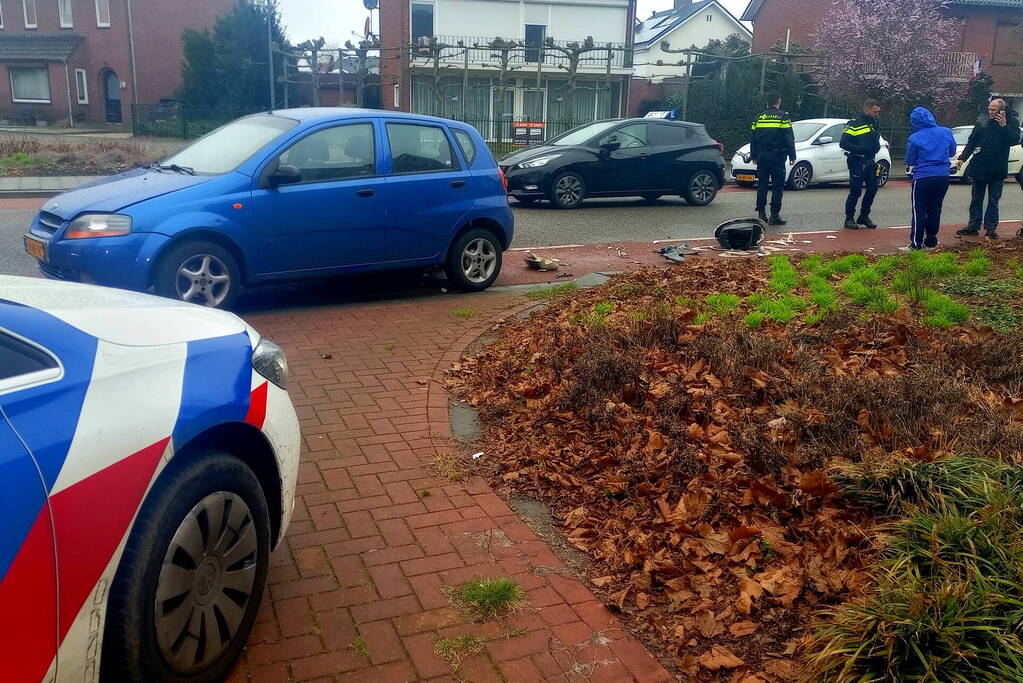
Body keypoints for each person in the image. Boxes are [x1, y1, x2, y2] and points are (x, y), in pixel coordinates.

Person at [955, 98, 1021, 239]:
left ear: (1002, 110)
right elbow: (972, 140)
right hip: (980, 164)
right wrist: (963, 157)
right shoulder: (982, 120)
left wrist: (1004, 126)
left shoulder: (1011, 122)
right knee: (976, 198)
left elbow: (1014, 140)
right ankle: (973, 225)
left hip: (998, 167)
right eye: (989, 109)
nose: (990, 112)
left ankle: (991, 228)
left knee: (993, 199)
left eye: (993, 109)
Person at [904, 107, 957, 251]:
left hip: (923, 176)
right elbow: (952, 151)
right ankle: (931, 241)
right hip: (943, 176)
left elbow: (910, 160)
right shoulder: (946, 132)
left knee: (919, 210)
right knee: (935, 209)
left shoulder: (915, 137)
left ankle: (916, 243)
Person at [749, 91, 796, 226]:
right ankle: (774, 215)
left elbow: (753, 138)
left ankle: (761, 213)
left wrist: (754, 155)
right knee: (777, 186)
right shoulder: (783, 117)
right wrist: (792, 155)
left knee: (762, 185)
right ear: (778, 101)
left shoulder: (759, 117)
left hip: (762, 156)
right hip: (777, 156)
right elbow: (789, 138)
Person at [840, 99, 883, 229]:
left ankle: (864, 215)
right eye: (875, 112)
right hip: (857, 161)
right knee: (856, 191)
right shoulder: (854, 124)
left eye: (878, 112)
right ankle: (849, 218)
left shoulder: (874, 124)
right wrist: (861, 149)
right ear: (867, 110)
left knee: (873, 188)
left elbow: (875, 140)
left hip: (870, 160)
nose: (877, 114)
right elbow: (843, 143)